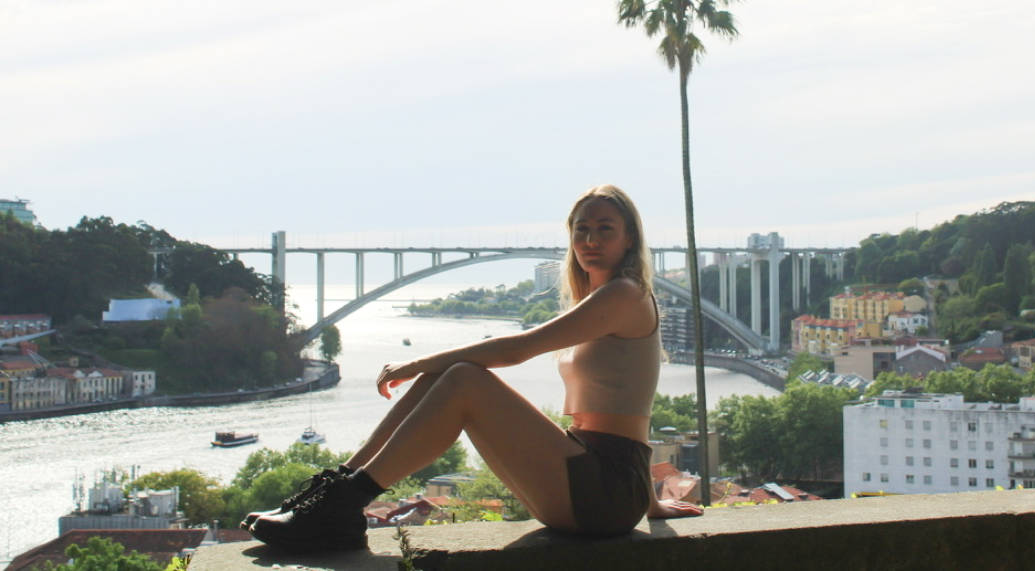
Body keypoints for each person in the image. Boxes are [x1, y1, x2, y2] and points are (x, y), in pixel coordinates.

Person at [245, 185, 703, 552]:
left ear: (629, 239)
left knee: (462, 377)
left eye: (605, 229)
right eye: (582, 229)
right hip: (591, 476)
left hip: (605, 491)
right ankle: (335, 492)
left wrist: (413, 363)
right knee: (443, 377)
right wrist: (650, 502)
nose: (591, 240)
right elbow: (631, 409)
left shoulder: (625, 294)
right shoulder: (598, 299)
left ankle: (343, 507)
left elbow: (518, 349)